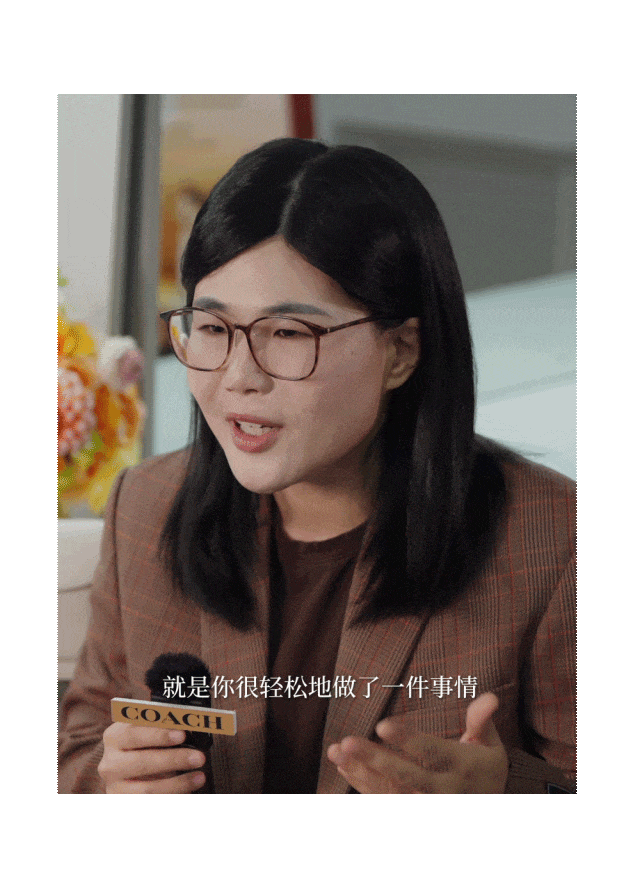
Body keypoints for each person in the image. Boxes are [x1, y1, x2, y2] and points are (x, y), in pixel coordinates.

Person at [58, 138, 576, 794]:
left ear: (401, 351)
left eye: (288, 334)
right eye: (212, 329)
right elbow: (80, 744)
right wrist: (112, 779)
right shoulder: (145, 504)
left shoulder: (551, 539)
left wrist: (506, 787)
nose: (239, 378)